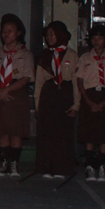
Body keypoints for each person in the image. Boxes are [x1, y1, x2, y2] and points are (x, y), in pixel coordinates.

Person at [0, 14, 34, 177]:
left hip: (16, 93)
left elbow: (27, 77)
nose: (6, 34)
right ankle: (4, 164)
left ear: (19, 33)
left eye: (10, 31)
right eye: (4, 31)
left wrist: (8, 90)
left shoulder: (25, 54)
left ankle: (14, 165)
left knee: (15, 130)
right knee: (2, 130)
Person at [74, 23, 105, 182]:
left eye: (100, 38)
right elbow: (79, 81)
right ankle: (90, 166)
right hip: (90, 95)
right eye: (94, 38)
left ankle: (102, 166)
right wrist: (87, 100)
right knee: (89, 133)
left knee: (104, 134)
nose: (97, 41)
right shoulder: (85, 58)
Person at [33, 21, 79, 178]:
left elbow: (76, 82)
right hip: (49, 94)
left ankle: (62, 168)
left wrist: (76, 104)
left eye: (53, 33)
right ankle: (47, 167)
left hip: (64, 94)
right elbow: (39, 83)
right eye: (47, 34)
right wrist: (38, 105)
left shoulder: (72, 55)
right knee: (47, 133)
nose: (49, 37)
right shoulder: (44, 55)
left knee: (63, 133)